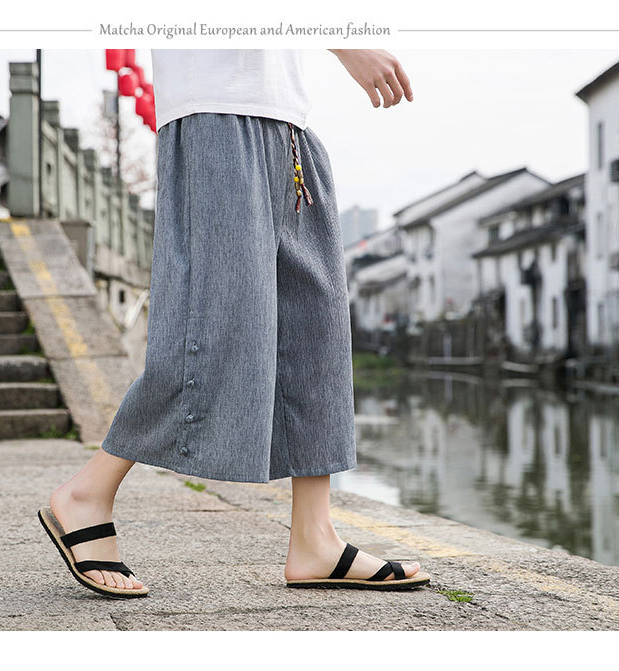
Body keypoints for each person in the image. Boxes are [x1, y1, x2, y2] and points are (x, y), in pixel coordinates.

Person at [38, 49, 430, 598]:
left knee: (314, 334)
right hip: (216, 117)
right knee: (211, 331)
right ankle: (87, 492)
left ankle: (315, 537)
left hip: (290, 126)